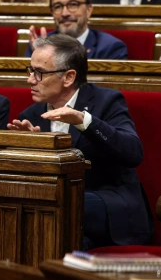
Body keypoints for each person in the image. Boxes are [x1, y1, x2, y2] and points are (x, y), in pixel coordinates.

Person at [9, 34, 153, 250]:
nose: (30, 80)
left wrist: (83, 121)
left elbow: (133, 152)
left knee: (59, 204)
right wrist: (32, 148)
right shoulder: (30, 115)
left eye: (39, 73)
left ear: (68, 77)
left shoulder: (106, 102)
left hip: (108, 203)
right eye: (30, 71)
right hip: (56, 206)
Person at [26, 0, 128, 60]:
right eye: (58, 6)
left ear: (88, 10)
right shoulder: (39, 46)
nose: (65, 13)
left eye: (73, 5)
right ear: (51, 12)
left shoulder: (110, 48)